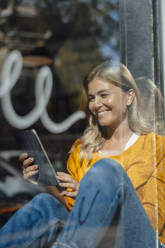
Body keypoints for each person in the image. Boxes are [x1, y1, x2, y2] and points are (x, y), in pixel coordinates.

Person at [0, 61, 165, 248]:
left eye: (104, 95)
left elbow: (153, 222)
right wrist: (44, 180)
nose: (96, 104)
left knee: (107, 170)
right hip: (90, 241)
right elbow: (71, 216)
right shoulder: (82, 149)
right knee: (44, 204)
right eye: (92, 98)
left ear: (129, 97)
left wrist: (93, 195)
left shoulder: (158, 147)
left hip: (141, 241)